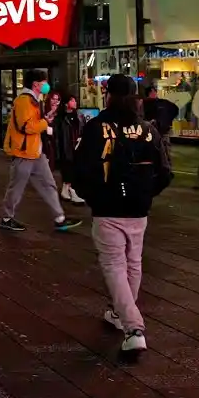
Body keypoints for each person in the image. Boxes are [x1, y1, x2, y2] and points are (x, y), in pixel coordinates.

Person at [72, 74, 171, 354]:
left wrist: (93, 196)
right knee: (133, 262)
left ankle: (133, 327)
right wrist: (147, 194)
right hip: (139, 209)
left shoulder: (95, 127)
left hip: (107, 208)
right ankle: (119, 315)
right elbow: (165, 172)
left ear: (108, 95)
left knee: (114, 265)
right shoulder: (148, 129)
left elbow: (79, 169)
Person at [0, 70, 81, 232]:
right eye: (44, 82)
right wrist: (45, 122)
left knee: (48, 184)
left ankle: (60, 218)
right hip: (23, 152)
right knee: (16, 187)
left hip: (35, 152)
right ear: (36, 84)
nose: (46, 85)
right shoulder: (24, 101)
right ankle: (6, 218)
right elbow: (27, 127)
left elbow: (33, 123)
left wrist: (46, 118)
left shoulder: (34, 100)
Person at [51, 95, 85, 206]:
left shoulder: (79, 115)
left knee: (75, 168)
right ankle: (71, 191)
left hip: (77, 145)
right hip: (66, 147)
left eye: (75, 100)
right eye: (72, 100)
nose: (75, 102)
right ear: (66, 103)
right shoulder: (60, 117)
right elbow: (57, 135)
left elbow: (82, 129)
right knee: (68, 168)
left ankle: (66, 190)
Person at [142, 86, 179, 165]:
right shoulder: (146, 103)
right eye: (154, 91)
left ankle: (165, 167)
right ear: (151, 92)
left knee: (163, 151)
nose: (155, 92)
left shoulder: (162, 103)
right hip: (154, 132)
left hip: (161, 131)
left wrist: (167, 122)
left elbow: (175, 110)